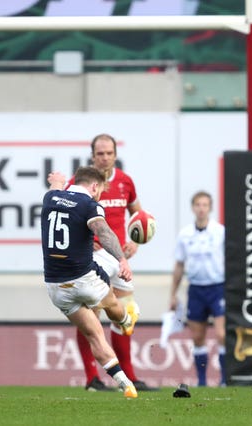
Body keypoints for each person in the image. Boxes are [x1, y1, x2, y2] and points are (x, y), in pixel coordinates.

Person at [41, 167, 139, 398]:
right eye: (101, 190)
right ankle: (126, 320)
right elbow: (103, 232)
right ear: (94, 186)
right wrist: (122, 259)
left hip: (56, 287)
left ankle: (126, 384)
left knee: (94, 335)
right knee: (113, 305)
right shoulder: (89, 205)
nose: (101, 195)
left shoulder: (50, 197)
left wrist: (57, 181)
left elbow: (55, 187)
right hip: (84, 279)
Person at [70, 133, 158, 392]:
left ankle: (129, 376)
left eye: (109, 153)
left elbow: (138, 214)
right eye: (100, 154)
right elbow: (68, 215)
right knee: (91, 317)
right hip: (93, 256)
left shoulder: (125, 181)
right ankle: (92, 379)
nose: (105, 158)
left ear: (115, 155)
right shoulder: (81, 184)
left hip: (119, 257)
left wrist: (135, 242)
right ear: (92, 155)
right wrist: (84, 240)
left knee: (126, 315)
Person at [169, 191, 226, 387]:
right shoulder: (185, 234)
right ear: (193, 207)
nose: (201, 208)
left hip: (217, 287)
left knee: (221, 334)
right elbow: (179, 265)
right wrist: (173, 294)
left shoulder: (220, 232)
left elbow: (232, 259)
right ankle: (202, 381)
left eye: (205, 205)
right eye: (198, 205)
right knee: (197, 337)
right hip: (196, 289)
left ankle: (224, 379)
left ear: (210, 208)